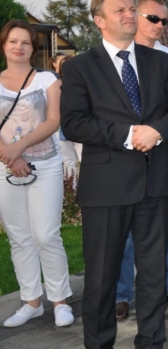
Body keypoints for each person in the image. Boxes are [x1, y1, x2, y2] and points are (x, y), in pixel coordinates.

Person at [60, 0, 168, 349]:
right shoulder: (79, 67)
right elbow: (74, 122)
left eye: (132, 8)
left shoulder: (160, 62)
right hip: (106, 187)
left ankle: (151, 342)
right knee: (102, 278)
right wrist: (129, 134)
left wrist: (157, 131)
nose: (129, 14)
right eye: (119, 10)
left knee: (153, 274)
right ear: (99, 20)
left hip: (156, 182)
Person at [0, 21, 74, 328]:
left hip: (45, 166)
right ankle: (31, 302)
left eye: (25, 42)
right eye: (13, 41)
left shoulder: (47, 79)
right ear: (4, 45)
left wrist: (18, 148)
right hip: (5, 168)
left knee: (46, 235)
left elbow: (53, 121)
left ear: (33, 48)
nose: (18, 47)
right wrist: (11, 157)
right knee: (19, 237)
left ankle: (60, 301)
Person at [115, 0, 168, 321]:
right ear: (135, 17)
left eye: (164, 21)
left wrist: (157, 132)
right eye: (153, 18)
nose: (160, 25)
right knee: (125, 227)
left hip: (167, 151)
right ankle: (121, 294)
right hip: (125, 154)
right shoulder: (117, 57)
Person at [51, 53, 78, 181]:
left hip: (81, 125)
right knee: (68, 160)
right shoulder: (54, 84)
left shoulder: (82, 83)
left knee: (84, 157)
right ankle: (71, 188)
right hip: (61, 128)